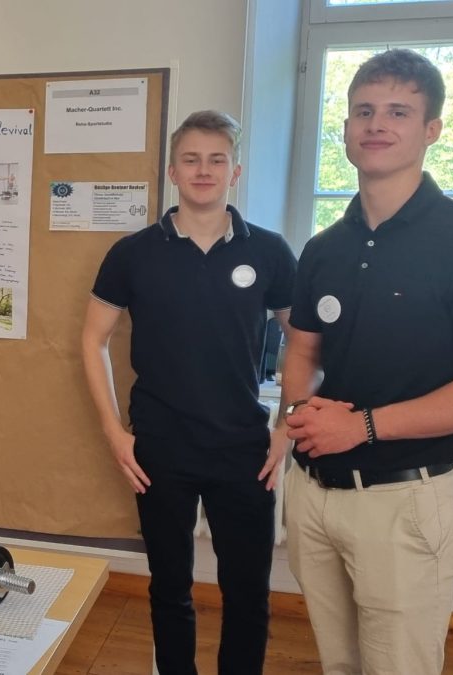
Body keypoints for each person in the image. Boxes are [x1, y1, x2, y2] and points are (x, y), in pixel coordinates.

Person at [282, 49, 453, 674]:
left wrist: (362, 426)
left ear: (431, 132)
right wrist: (297, 410)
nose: (377, 124)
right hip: (315, 495)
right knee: (338, 665)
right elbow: (304, 351)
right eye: (363, 110)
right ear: (345, 130)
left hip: (404, 501)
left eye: (398, 111)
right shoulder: (323, 246)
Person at [82, 110, 296, 675]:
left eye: (217, 159)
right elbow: (91, 341)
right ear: (173, 170)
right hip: (159, 447)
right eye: (192, 159)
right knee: (169, 588)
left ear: (236, 171)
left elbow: (306, 343)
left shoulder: (271, 251)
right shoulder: (132, 253)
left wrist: (287, 426)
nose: (205, 170)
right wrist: (114, 433)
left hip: (244, 449)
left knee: (248, 593)